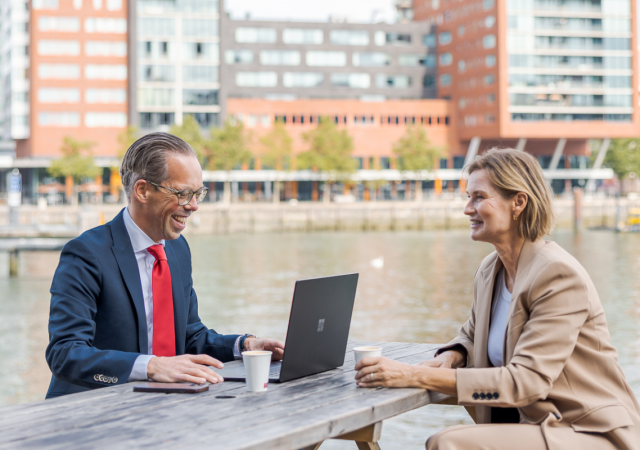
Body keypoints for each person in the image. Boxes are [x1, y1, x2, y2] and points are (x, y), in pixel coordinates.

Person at [354, 148, 640, 449]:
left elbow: (525, 382)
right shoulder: (491, 268)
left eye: (479, 197)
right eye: (468, 197)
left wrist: (415, 375)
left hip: (586, 430)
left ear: (518, 202)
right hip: (534, 425)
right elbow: (473, 333)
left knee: (449, 443)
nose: (467, 208)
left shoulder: (557, 275)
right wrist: (453, 356)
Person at [45, 132, 284, 398]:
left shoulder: (178, 250)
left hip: (165, 407)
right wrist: (152, 366)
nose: (193, 206)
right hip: (90, 412)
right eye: (183, 193)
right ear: (143, 190)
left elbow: (190, 337)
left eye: (198, 194)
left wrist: (246, 345)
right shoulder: (86, 253)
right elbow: (65, 354)